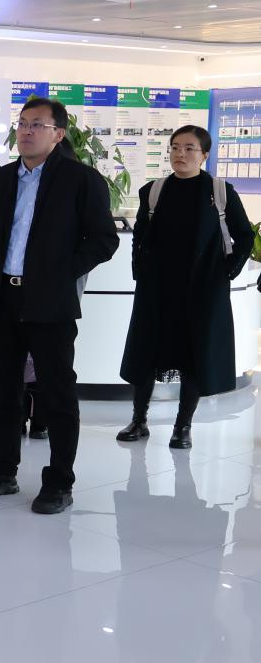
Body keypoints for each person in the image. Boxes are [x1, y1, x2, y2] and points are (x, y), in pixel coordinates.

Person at [0, 96, 119, 514]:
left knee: (57, 393)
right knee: (4, 391)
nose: (27, 131)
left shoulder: (81, 179)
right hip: (3, 298)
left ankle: (59, 482)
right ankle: (1, 472)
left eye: (38, 125)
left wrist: (61, 273)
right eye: (23, 123)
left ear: (58, 134)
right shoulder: (1, 179)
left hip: (51, 301)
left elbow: (104, 240)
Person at [118, 125, 253, 449]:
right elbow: (140, 237)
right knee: (146, 354)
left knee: (193, 356)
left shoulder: (219, 192)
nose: (180, 154)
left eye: (189, 148)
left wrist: (226, 273)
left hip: (201, 292)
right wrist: (140, 274)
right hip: (157, 291)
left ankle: (183, 426)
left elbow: (244, 236)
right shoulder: (154, 191)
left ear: (204, 155)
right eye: (175, 147)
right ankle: (139, 420)